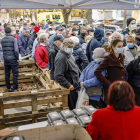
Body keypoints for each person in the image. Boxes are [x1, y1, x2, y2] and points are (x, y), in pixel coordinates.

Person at [94, 39, 128, 106]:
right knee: (112, 107)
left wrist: (126, 75)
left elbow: (121, 68)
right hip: (112, 87)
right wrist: (107, 83)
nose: (121, 48)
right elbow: (97, 72)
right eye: (119, 46)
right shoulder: (108, 58)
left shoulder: (122, 56)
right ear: (113, 47)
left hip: (121, 86)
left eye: (122, 46)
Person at [54, 38, 80, 110]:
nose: (71, 49)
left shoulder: (69, 54)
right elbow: (58, 75)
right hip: (70, 86)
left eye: (72, 47)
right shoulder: (62, 57)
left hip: (75, 83)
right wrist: (68, 85)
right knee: (72, 106)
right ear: (63, 46)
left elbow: (75, 66)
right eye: (69, 47)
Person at [1, 27, 19, 92]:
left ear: (5, 32)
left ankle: (8, 87)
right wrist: (17, 58)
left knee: (7, 73)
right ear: (11, 31)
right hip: (13, 58)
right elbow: (16, 50)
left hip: (6, 58)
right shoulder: (13, 39)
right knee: (15, 74)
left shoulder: (2, 40)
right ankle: (15, 88)